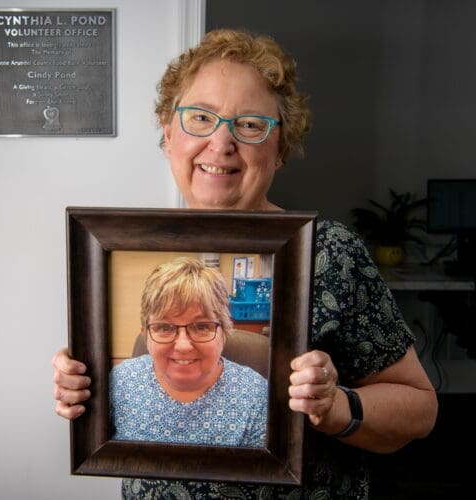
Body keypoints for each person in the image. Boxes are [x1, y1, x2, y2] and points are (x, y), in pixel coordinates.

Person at [52, 28, 438, 499]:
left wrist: (335, 406)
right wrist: (82, 389)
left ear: (280, 148)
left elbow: (420, 409)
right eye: (200, 118)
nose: (221, 142)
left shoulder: (332, 253)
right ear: (168, 133)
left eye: (251, 124)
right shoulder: (127, 248)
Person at [109, 257, 267, 447]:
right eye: (165, 327)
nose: (183, 346)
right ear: (145, 334)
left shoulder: (256, 397)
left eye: (201, 326)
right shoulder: (118, 383)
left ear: (223, 331)